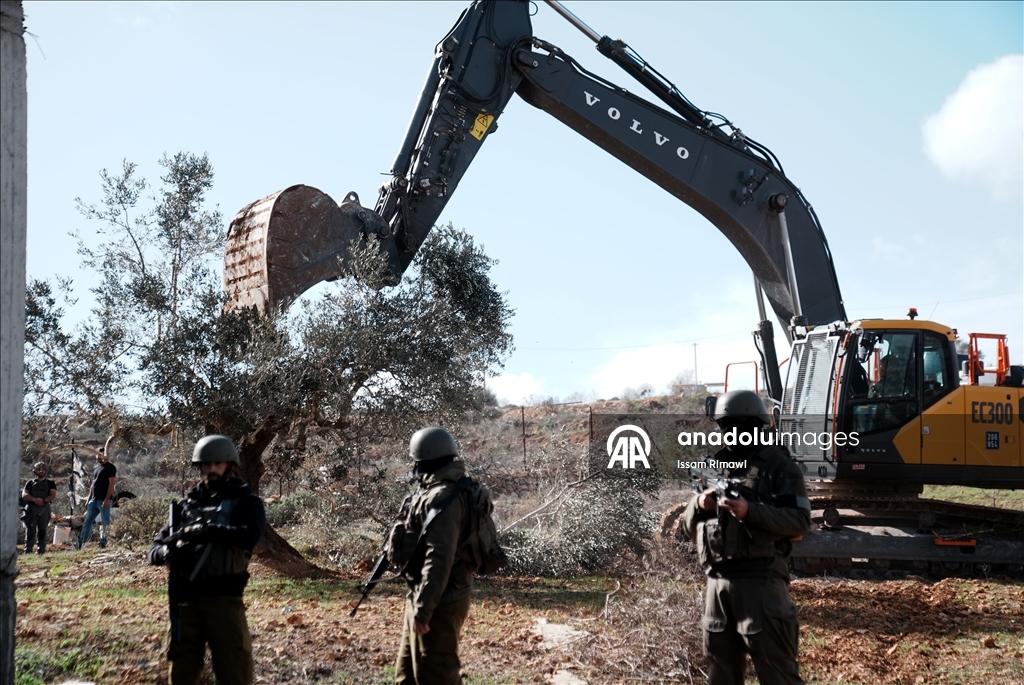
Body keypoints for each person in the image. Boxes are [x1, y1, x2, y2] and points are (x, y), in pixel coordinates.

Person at [683, 390, 812, 685]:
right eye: (726, 427)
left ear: (756, 426)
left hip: (762, 582)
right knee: (721, 673)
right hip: (717, 585)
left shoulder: (780, 466)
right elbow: (688, 527)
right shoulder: (715, 467)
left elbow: (801, 521)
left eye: (738, 427)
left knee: (777, 673)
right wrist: (698, 504)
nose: (731, 434)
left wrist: (749, 511)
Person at [149, 435, 265, 685]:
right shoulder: (185, 506)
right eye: (206, 464)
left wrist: (207, 530)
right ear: (199, 466)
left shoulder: (246, 501)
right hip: (186, 601)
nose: (211, 469)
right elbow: (155, 548)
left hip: (224, 600)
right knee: (182, 672)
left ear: (229, 465)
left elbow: (250, 536)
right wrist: (166, 553)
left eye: (217, 464)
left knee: (235, 671)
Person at [394, 427, 477, 685]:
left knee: (436, 675)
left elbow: (439, 557)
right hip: (424, 594)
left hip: (441, 599)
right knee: (407, 675)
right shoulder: (434, 490)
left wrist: (423, 610)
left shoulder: (445, 497)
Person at [77, 446, 116, 549]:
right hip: (93, 500)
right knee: (87, 522)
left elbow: (111, 484)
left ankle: (103, 542)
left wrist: (107, 499)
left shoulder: (110, 467)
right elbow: (93, 484)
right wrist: (88, 499)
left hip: (103, 499)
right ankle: (81, 542)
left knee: (105, 522)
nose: (100, 457)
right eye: (98, 454)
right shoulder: (96, 467)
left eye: (102, 454)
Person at [22, 462, 57, 554]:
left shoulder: (50, 483)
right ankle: (28, 550)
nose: (41, 471)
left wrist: (44, 500)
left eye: (43, 469)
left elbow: (53, 495)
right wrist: (34, 500)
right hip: (31, 509)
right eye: (39, 469)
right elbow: (24, 494)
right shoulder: (29, 483)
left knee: (42, 530)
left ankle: (41, 550)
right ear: (35, 470)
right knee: (30, 530)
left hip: (44, 509)